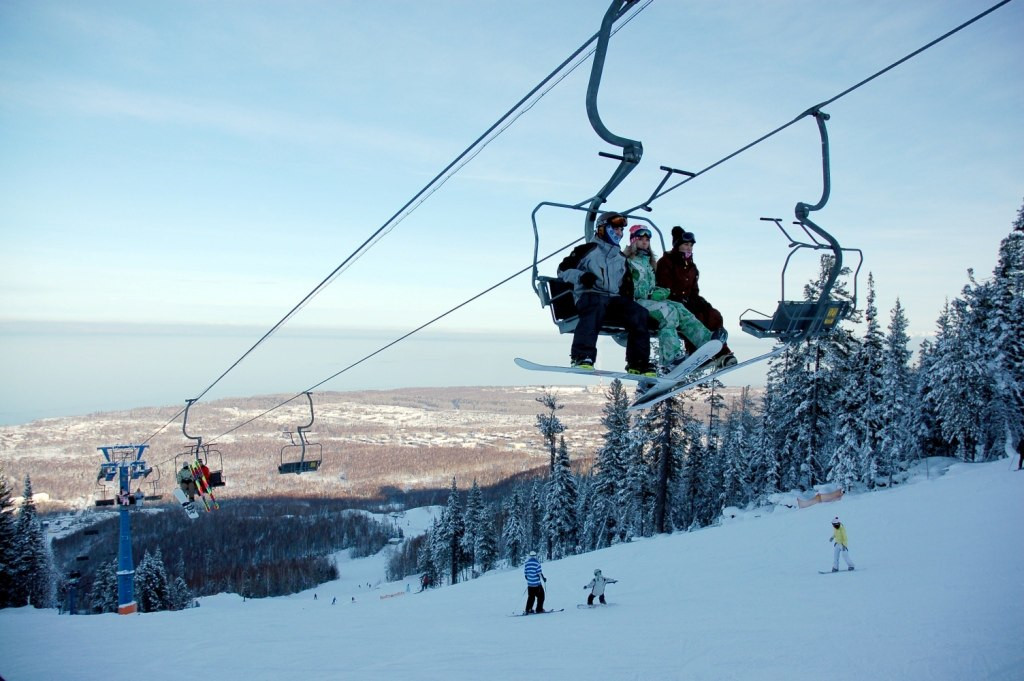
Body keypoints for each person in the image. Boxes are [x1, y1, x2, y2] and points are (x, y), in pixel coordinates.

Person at [557, 212, 654, 376]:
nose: (618, 233)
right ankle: (582, 356)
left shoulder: (620, 257)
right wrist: (581, 276)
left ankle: (638, 363)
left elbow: (625, 286)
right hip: (589, 295)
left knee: (639, 313)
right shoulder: (587, 250)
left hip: (613, 300)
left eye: (620, 230)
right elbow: (562, 270)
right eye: (615, 229)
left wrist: (630, 303)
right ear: (602, 229)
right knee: (596, 304)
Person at [624, 225, 715, 372]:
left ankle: (706, 342)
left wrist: (661, 291)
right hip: (636, 302)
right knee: (669, 312)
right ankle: (670, 357)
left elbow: (652, 284)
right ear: (634, 241)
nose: (645, 242)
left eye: (647, 240)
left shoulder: (649, 262)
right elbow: (628, 286)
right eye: (641, 239)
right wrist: (649, 294)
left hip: (650, 300)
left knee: (680, 309)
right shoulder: (628, 261)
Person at [656, 226, 737, 366]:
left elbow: (694, 290)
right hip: (672, 301)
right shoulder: (666, 262)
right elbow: (664, 286)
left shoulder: (691, 266)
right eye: (685, 244)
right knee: (697, 317)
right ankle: (698, 354)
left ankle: (721, 354)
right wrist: (679, 298)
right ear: (678, 246)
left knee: (713, 315)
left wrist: (700, 302)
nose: (689, 248)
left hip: (689, 300)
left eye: (691, 245)